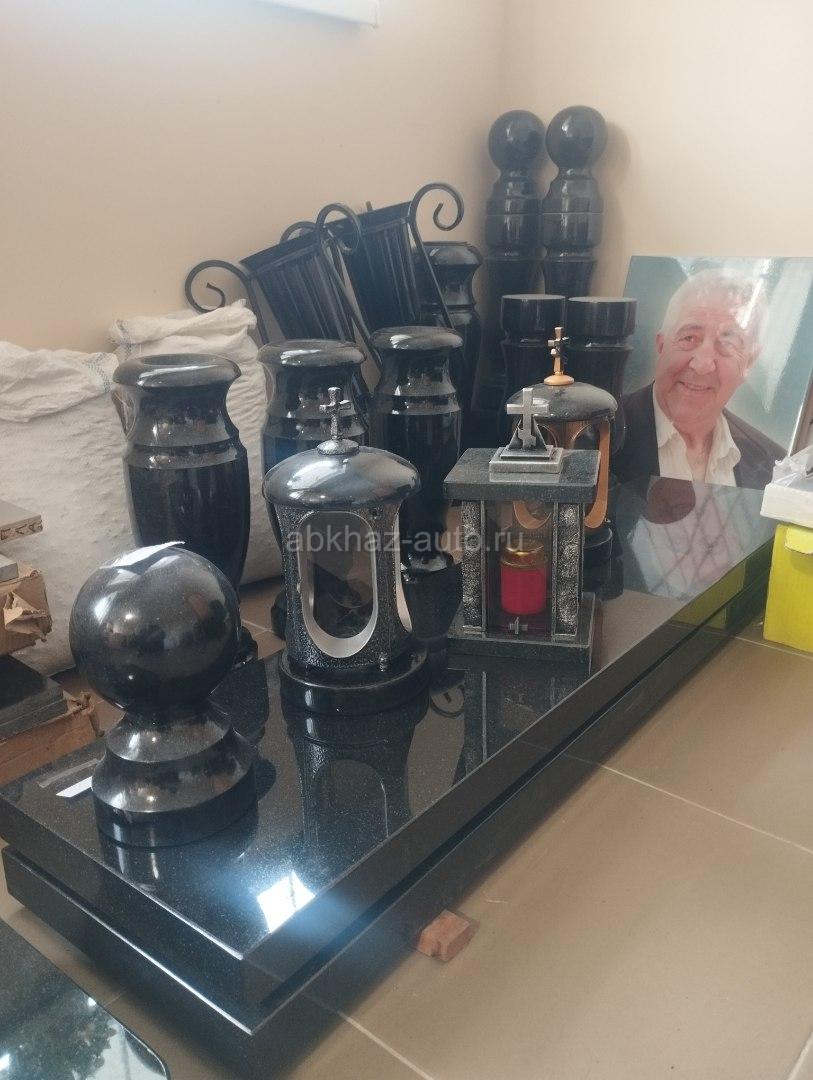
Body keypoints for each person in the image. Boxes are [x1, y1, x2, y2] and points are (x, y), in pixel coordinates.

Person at [615, 269, 784, 489]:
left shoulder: (774, 467)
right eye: (689, 337)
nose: (703, 365)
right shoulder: (598, 437)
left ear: (748, 364)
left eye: (727, 344)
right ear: (661, 345)